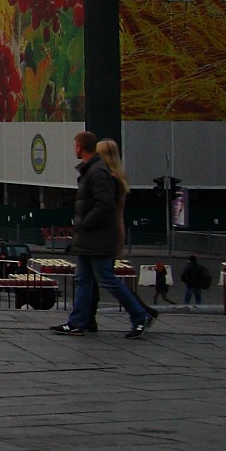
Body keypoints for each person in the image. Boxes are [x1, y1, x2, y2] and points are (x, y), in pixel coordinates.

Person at [55, 134, 156, 338]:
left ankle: (139, 315)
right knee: (83, 279)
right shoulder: (93, 170)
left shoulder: (98, 172)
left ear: (81, 147)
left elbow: (105, 204)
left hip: (97, 236)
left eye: (75, 145)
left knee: (107, 279)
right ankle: (77, 322)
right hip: (90, 237)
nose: (73, 148)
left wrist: (84, 223)